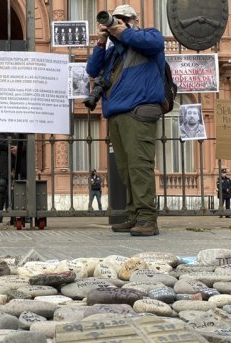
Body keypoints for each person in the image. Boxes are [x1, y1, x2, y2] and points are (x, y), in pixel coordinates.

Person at [86, 4, 164, 236]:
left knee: (139, 166)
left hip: (139, 111)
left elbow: (154, 44)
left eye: (122, 20)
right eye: (114, 20)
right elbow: (92, 69)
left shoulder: (150, 36)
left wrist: (123, 31)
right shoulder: (113, 53)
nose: (117, 23)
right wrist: (102, 42)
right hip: (117, 114)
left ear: (133, 21)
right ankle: (134, 216)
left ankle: (148, 218)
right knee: (126, 169)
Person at [0, 133, 27, 223]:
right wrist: (10, 147)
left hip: (21, 155)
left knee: (22, 184)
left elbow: (29, 138)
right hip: (5, 154)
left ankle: (23, 215)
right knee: (1, 185)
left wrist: (20, 148)